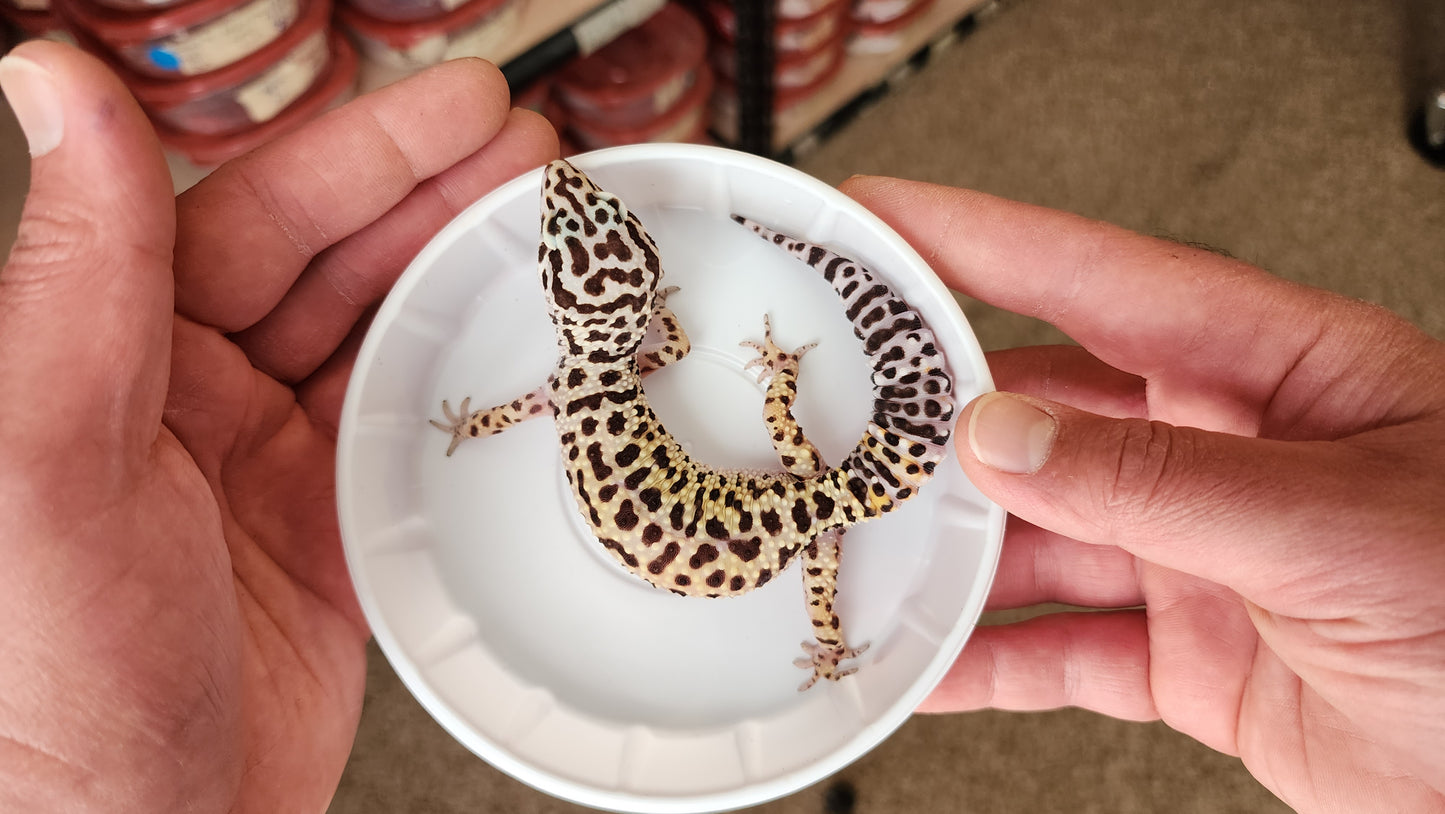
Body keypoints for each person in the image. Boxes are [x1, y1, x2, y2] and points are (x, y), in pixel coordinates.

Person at [0, 40, 1440, 814]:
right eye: (583, 238)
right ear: (602, 306)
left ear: (589, 305)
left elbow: (523, 396)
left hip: (775, 504)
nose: (576, 222)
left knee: (829, 477)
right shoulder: (612, 360)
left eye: (587, 233)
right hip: (775, 503)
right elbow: (578, 384)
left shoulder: (584, 373)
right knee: (824, 482)